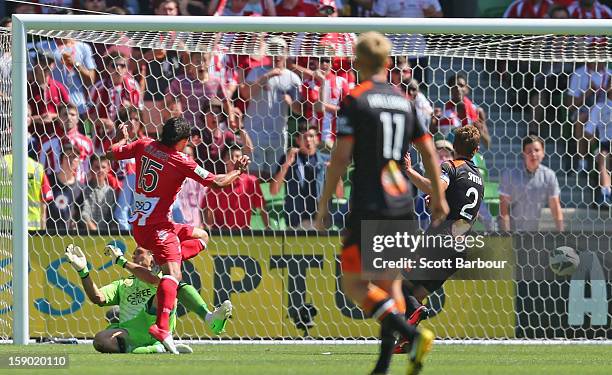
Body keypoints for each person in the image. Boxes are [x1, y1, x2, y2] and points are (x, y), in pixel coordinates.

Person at [314, 32, 448, 375]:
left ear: (356, 63)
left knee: (354, 284)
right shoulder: (405, 101)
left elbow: (340, 159)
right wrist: (439, 198)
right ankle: (383, 366)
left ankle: (411, 335)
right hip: (403, 204)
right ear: (389, 64)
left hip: (369, 203)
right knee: (390, 288)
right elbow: (429, 151)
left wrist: (325, 203)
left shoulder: (355, 100)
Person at [105, 116, 250, 354]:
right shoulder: (180, 160)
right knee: (172, 273)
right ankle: (162, 328)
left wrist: (121, 138)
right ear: (183, 141)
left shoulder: (144, 144)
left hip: (144, 225)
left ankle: (206, 315)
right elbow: (219, 183)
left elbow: (112, 153)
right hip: (157, 227)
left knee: (201, 236)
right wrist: (238, 172)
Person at [396, 126, 484, 354]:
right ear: (476, 150)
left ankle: (416, 312)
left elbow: (438, 186)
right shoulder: (479, 179)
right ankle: (408, 339)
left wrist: (408, 171)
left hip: (440, 240)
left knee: (397, 283)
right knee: (417, 292)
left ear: (454, 146)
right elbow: (457, 203)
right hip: (460, 247)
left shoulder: (450, 167)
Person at [64, 243, 231, 354]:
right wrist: (83, 271)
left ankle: (208, 318)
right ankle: (153, 349)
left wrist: (121, 261)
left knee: (168, 288)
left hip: (157, 327)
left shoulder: (162, 276)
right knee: (100, 340)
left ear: (153, 257)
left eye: (139, 252)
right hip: (130, 334)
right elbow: (97, 298)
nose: (134, 255)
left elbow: (151, 279)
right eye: (133, 253)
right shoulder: (124, 284)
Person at [241, 36, 302, 179]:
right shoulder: (257, 71)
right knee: (253, 176)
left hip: (278, 134)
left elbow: (299, 110)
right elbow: (245, 94)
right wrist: (267, 76)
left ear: (286, 53)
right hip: (255, 132)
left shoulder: (293, 78)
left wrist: (291, 103)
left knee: (273, 176)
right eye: (273, 50)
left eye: (280, 50)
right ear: (268, 52)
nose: (277, 54)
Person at [270, 122, 335, 229]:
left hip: (321, 220)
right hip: (296, 221)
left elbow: (339, 194)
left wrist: (335, 173)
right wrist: (286, 165)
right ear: (297, 140)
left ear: (318, 139)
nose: (308, 140)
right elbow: (273, 191)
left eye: (311, 136)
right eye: (304, 137)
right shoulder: (288, 159)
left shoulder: (327, 160)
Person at [499, 135, 564, 232]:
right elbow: (503, 208)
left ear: (543, 153)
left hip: (534, 235)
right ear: (523, 154)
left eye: (537, 150)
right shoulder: (510, 175)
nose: (533, 154)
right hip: (511, 233)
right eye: (529, 151)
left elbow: (555, 206)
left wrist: (561, 234)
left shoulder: (549, 176)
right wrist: (506, 236)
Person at [204, 143, 269, 229]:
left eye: (237, 156)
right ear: (224, 160)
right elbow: (209, 209)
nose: (233, 159)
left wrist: (268, 229)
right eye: (230, 156)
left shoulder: (251, 181)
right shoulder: (217, 182)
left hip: (244, 233)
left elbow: (262, 208)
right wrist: (210, 231)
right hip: (221, 233)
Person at [46, 145, 84, 233]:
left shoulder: (80, 188)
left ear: (78, 162)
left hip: (68, 237)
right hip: (47, 234)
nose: (71, 160)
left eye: (74, 157)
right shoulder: (49, 181)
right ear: (61, 160)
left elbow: (79, 215)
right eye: (68, 156)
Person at [583, 89, 612, 205]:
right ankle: (606, 194)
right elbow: (588, 131)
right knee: (603, 157)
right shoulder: (600, 107)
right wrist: (594, 144)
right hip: (605, 143)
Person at [82, 157, 116, 232]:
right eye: (97, 167)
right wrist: (96, 233)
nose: (100, 170)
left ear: (108, 169)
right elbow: (84, 214)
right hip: (88, 234)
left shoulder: (111, 192)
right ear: (91, 169)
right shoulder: (84, 190)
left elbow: (113, 216)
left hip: (108, 235)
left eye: (103, 167)